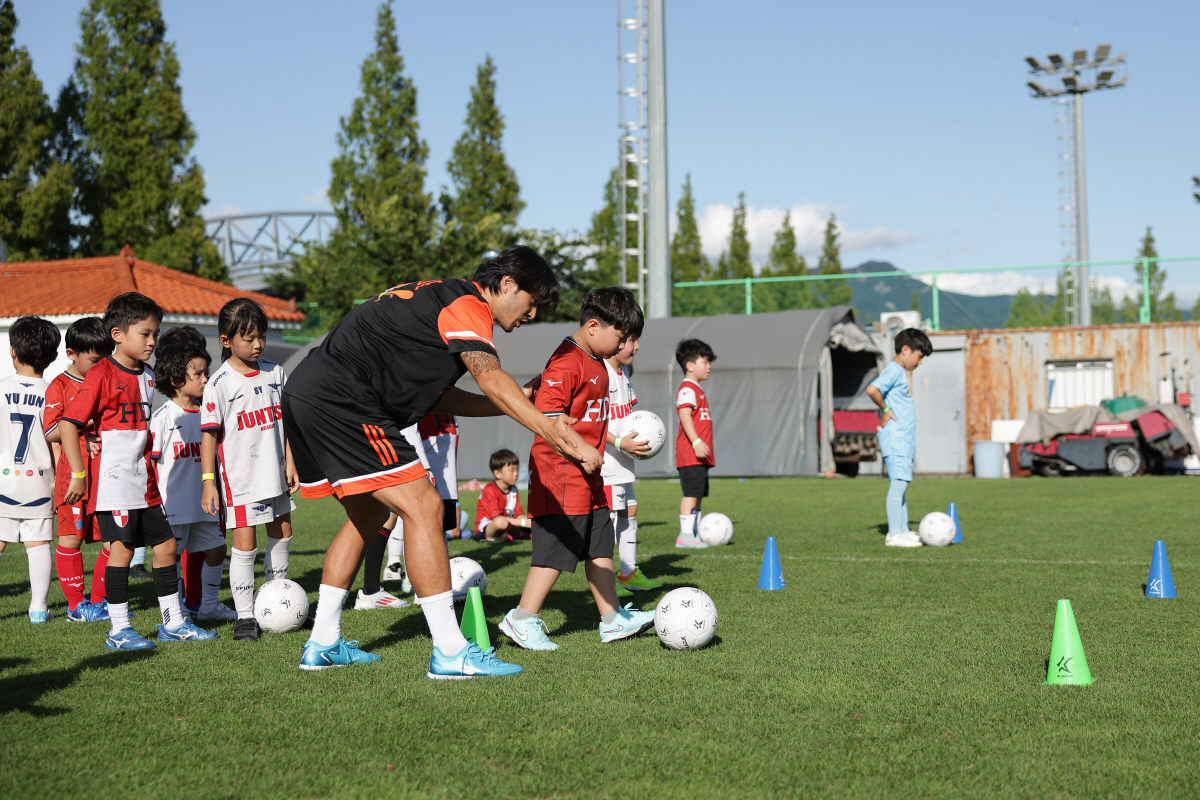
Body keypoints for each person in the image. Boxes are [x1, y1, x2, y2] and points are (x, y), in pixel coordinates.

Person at [283, 245, 588, 678]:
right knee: (425, 505)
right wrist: (546, 426)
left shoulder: (442, 302)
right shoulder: (467, 305)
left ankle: (323, 641)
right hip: (343, 398)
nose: (532, 315)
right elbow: (488, 374)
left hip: (308, 392)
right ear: (506, 284)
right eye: (532, 302)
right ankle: (450, 651)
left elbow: (443, 397)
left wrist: (516, 401)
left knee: (368, 512)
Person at [499, 287, 656, 652]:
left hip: (586, 473)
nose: (620, 348)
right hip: (559, 472)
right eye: (618, 338)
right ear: (593, 325)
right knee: (556, 549)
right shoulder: (567, 360)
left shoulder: (597, 362)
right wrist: (584, 448)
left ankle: (612, 617)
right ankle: (521, 619)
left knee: (599, 543)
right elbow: (548, 415)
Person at [59, 292, 217, 649]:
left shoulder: (147, 375)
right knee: (123, 551)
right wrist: (81, 475)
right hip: (114, 484)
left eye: (155, 334)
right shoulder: (100, 373)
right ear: (117, 334)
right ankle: (118, 630)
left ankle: (173, 623)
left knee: (165, 547)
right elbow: (70, 424)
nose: (152, 341)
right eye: (145, 334)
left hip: (145, 482)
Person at [200, 298, 298, 641]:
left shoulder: (276, 371)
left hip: (275, 474)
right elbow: (210, 435)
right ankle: (244, 616)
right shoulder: (219, 383)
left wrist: (291, 462)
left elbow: (285, 422)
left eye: (262, 337)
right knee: (244, 545)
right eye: (248, 338)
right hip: (241, 480)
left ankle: (277, 599)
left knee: (282, 535)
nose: (257, 345)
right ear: (226, 340)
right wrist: (208, 483)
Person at [150, 341, 237, 622]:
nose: (205, 379)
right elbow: (151, 464)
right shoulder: (163, 418)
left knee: (217, 549)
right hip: (173, 507)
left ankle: (208, 605)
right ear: (176, 380)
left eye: (206, 372)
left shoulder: (207, 413)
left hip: (204, 504)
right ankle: (176, 613)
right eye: (198, 374)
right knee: (171, 558)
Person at [45, 316, 113, 622]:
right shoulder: (59, 386)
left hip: (107, 475)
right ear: (72, 353)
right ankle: (75, 605)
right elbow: (51, 431)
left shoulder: (108, 380)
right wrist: (83, 425)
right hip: (74, 476)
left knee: (113, 540)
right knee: (70, 538)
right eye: (94, 360)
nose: (100, 366)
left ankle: (99, 601)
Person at [0, 316, 62, 624]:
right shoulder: (53, 394)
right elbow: (58, 444)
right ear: (52, 356)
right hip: (40, 482)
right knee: (37, 545)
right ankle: (38, 608)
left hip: (3, 482)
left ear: (12, 351)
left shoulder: (0, 389)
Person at [602, 334, 660, 594]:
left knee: (630, 510)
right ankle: (607, 579)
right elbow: (594, 424)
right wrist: (619, 443)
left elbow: (629, 417)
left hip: (624, 462)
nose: (637, 346)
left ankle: (628, 572)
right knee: (610, 519)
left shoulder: (623, 372)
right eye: (631, 340)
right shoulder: (601, 372)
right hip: (607, 462)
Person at [866, 327, 932, 547]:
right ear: (905, 349)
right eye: (919, 356)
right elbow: (872, 389)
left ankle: (903, 530)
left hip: (903, 441)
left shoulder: (900, 373)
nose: (920, 362)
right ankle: (894, 534)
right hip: (896, 439)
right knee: (898, 485)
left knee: (902, 484)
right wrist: (885, 410)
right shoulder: (894, 370)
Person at [673, 339, 716, 549]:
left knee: (698, 493)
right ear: (689, 365)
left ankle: (695, 532)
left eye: (709, 362)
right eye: (704, 361)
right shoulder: (687, 389)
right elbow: (684, 415)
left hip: (699, 455)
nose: (708, 367)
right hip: (690, 453)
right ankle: (685, 534)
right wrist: (697, 441)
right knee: (691, 492)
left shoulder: (697, 389)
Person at [475, 448, 530, 542]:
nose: (516, 474)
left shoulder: (514, 489)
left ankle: (508, 536)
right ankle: (525, 536)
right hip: (487, 528)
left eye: (517, 469)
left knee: (534, 520)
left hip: (508, 524)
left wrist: (529, 521)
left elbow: (518, 514)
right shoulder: (490, 490)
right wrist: (524, 522)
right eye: (512, 470)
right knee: (500, 522)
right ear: (498, 473)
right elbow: (497, 518)